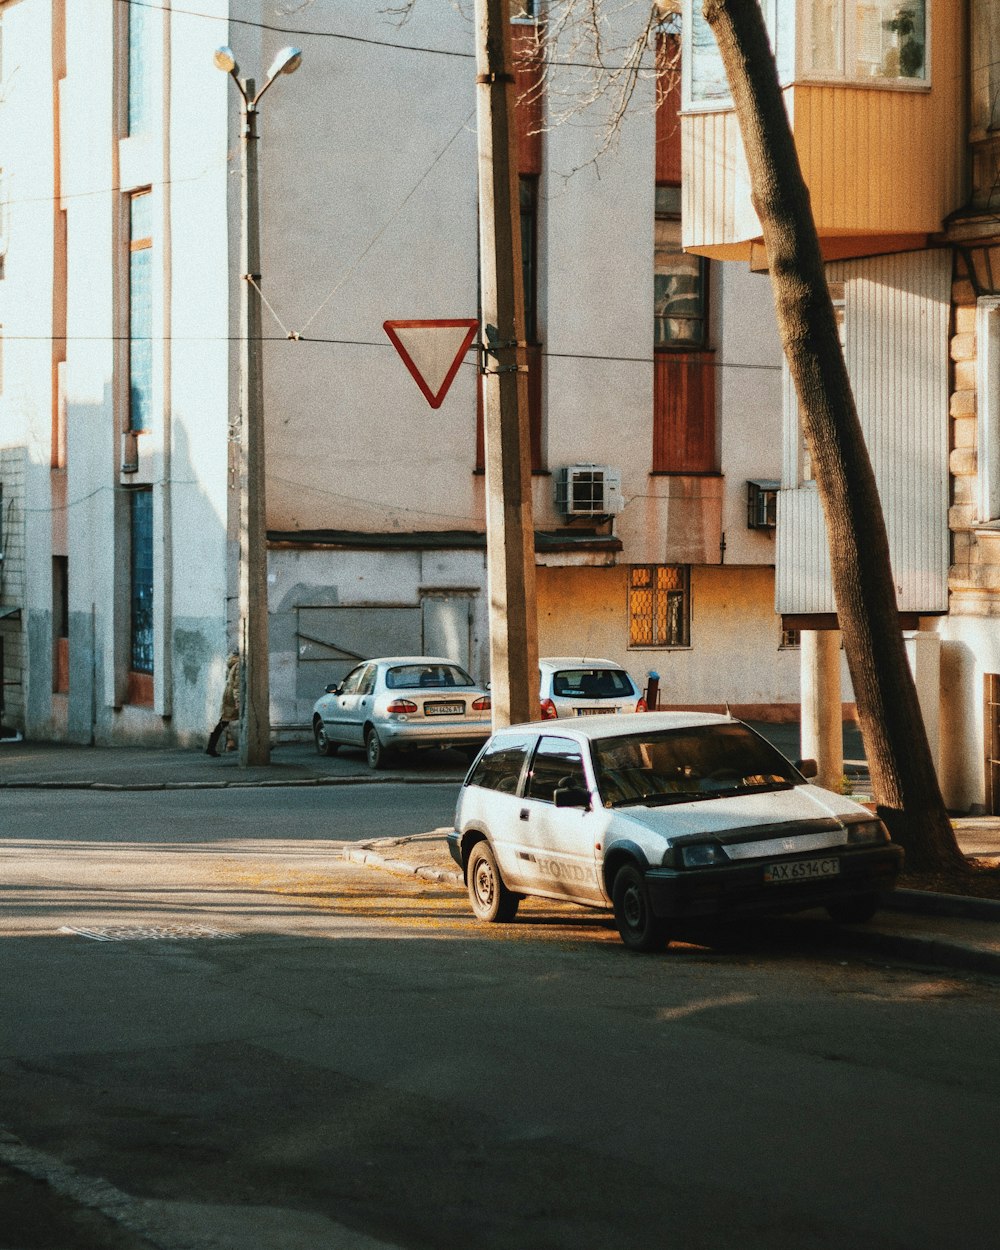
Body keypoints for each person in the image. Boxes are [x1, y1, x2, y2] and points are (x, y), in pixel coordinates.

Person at [206, 650, 240, 757]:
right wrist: (238, 700)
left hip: (228, 696)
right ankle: (262, 743)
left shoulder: (232, 664)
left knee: (224, 721)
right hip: (234, 697)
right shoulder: (239, 665)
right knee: (253, 718)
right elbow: (237, 685)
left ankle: (211, 747)